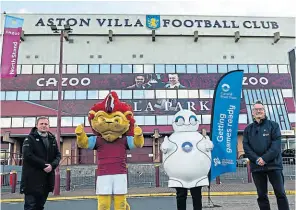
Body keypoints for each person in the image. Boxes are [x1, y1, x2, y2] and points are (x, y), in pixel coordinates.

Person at [243, 100, 290, 210]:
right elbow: (246, 148)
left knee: (280, 194)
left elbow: (276, 146)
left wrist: (264, 158)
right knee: (261, 196)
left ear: (264, 111)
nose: (258, 111)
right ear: (252, 112)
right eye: (256, 109)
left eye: (261, 109)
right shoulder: (248, 129)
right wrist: (257, 159)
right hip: (257, 167)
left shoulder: (274, 126)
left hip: (274, 166)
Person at [20, 116, 61, 210]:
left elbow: (58, 155)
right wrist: (44, 165)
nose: (44, 126)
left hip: (46, 181)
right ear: (36, 125)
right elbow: (27, 155)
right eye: (41, 124)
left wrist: (52, 165)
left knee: (40, 207)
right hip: (31, 181)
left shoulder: (52, 139)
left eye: (46, 124)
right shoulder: (29, 139)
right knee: (30, 207)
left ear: (49, 126)